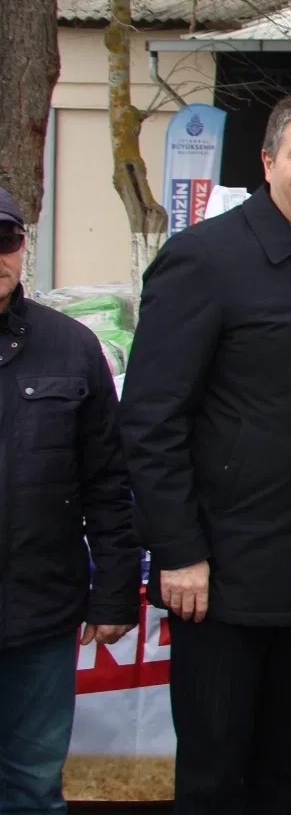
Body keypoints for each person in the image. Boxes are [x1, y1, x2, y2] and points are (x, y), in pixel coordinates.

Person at [120, 93, 291, 815]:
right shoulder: (204, 258)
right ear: (268, 162)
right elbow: (150, 418)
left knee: (289, 772)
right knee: (216, 777)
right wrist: (179, 550)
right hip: (218, 578)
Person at [0, 188, 140, 814]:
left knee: (32, 788)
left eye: (6, 239)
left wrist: (113, 592)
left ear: (22, 248)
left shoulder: (71, 346)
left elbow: (108, 482)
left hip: (38, 615)